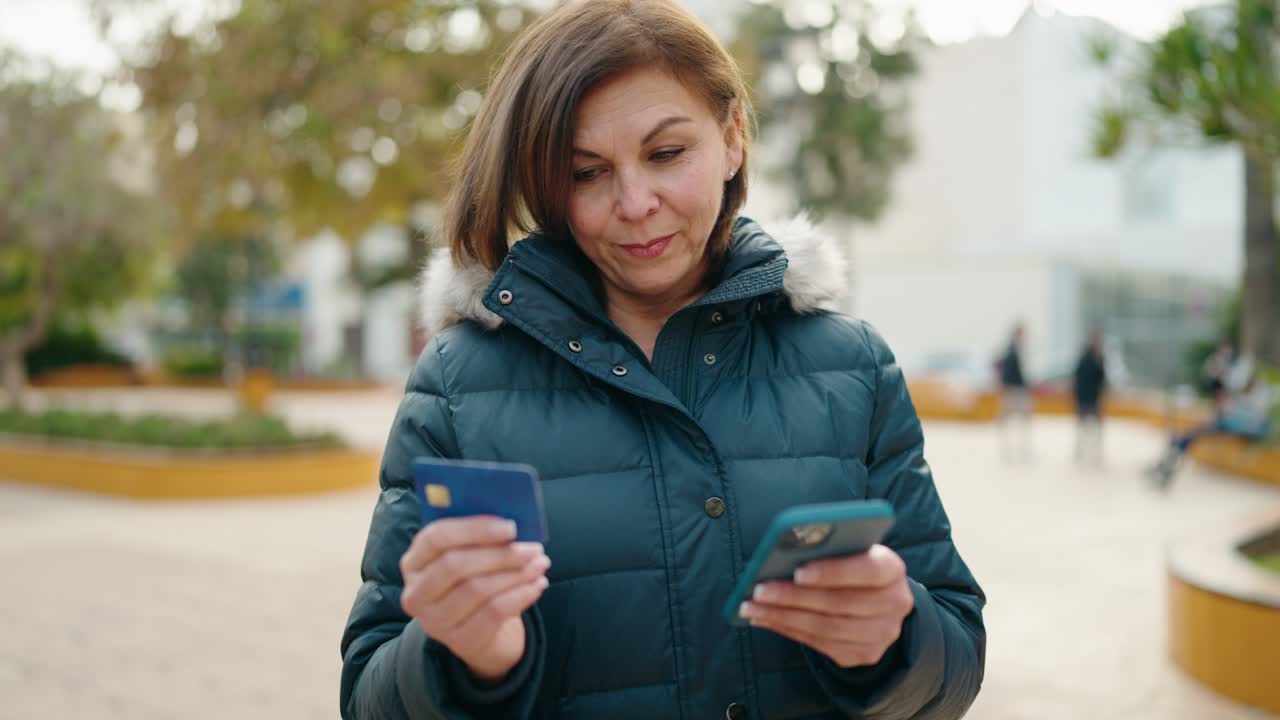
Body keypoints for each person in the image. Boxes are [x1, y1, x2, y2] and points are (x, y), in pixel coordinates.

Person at [339, 1, 985, 718]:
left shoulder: (852, 368)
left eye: (667, 153)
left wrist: (895, 641)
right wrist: (464, 661)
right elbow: (370, 696)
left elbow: (954, 660)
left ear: (732, 137)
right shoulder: (459, 383)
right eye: (586, 173)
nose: (635, 202)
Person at [1148, 365, 1274, 489]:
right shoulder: (1245, 402)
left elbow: (1240, 420)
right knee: (1190, 435)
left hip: (1236, 430)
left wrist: (1222, 415)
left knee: (1191, 435)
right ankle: (1168, 464)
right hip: (1228, 426)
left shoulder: (1253, 404)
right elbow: (1227, 416)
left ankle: (1168, 465)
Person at [997, 322, 1032, 462]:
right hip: (1015, 391)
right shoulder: (1012, 351)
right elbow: (1011, 373)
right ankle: (1012, 450)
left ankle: (1018, 449)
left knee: (1018, 421)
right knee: (1014, 421)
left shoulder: (1014, 350)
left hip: (1014, 390)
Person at [1072, 330, 1108, 465]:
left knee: (1097, 428)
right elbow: (1077, 380)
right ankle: (1080, 452)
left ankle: (1096, 453)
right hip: (1084, 399)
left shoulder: (1100, 358)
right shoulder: (1084, 358)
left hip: (1095, 399)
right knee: (1082, 427)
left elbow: (1103, 380)